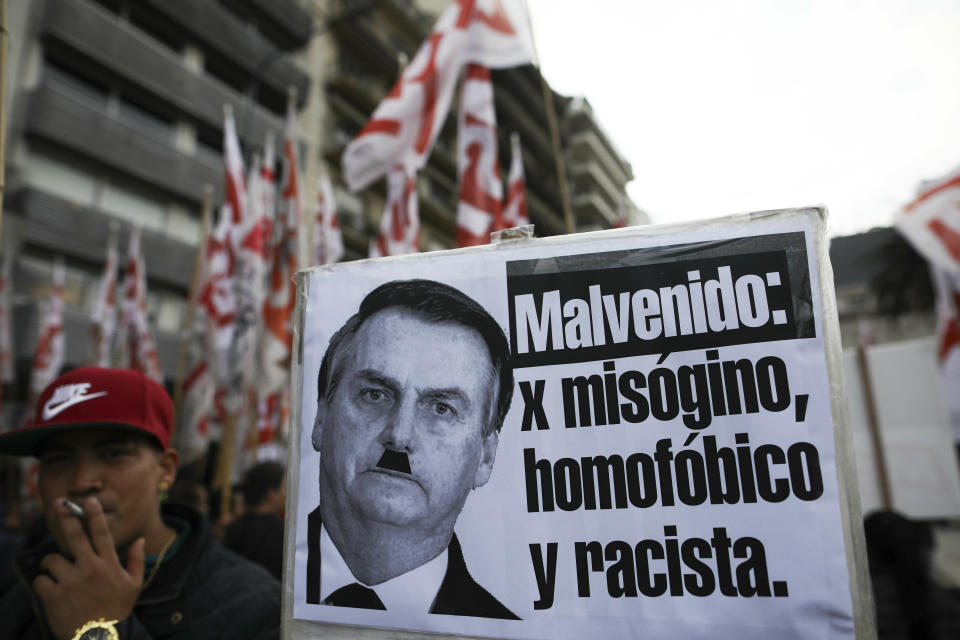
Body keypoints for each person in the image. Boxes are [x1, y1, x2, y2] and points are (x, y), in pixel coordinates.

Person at [0, 367, 280, 639]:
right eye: (59, 459)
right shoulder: (20, 583)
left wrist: (99, 629)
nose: (82, 481)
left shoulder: (256, 606)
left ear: (166, 470)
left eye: (114, 454)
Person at [306, 279, 518, 619]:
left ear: (486, 456)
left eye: (441, 409)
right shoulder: (253, 593)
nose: (399, 436)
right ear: (321, 419)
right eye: (374, 394)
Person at [224, 461, 285, 580]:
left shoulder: (233, 527)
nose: (286, 493)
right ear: (271, 493)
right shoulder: (283, 532)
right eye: (284, 487)